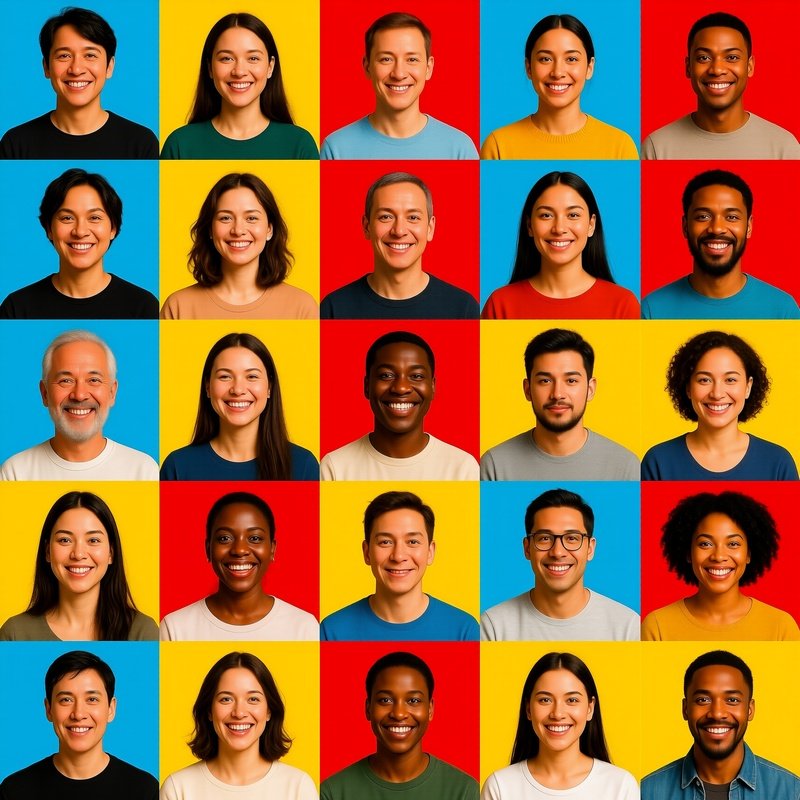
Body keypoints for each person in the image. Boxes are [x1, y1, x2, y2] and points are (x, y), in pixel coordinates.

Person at [480, 329, 639, 481]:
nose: (557, 394)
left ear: (590, 389)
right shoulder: (495, 466)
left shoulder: (626, 467)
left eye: (571, 381)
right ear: (528, 390)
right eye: (545, 381)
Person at [480, 489, 639, 641]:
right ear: (527, 548)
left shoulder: (627, 626)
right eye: (544, 538)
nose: (557, 552)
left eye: (571, 538)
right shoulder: (494, 625)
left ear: (590, 549)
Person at [0, 330, 158, 480]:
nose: (80, 395)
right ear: (45, 393)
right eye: (66, 381)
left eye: (93, 380)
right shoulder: (15, 473)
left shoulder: (143, 470)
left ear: (112, 392)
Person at [0, 8, 158, 159]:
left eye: (90, 55)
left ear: (109, 66)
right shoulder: (15, 144)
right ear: (46, 67)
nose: (76, 69)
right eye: (64, 56)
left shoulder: (141, 144)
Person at [0, 168, 158, 319]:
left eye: (95, 217)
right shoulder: (17, 308)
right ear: (49, 229)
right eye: (67, 218)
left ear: (113, 229)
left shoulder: (143, 307)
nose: (80, 231)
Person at [320, 331, 478, 480]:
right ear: (367, 386)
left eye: (416, 376)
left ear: (432, 387)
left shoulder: (463, 469)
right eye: (386, 375)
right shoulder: (335, 467)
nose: (401, 388)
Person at [160, 491, 318, 640]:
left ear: (272, 549)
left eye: (255, 538)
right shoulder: (175, 628)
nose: (239, 550)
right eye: (224, 538)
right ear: (208, 549)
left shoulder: (304, 628)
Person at [642, 491, 799, 641]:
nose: (718, 556)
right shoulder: (657, 626)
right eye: (705, 543)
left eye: (733, 544)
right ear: (688, 553)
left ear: (749, 554)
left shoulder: (781, 627)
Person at [641, 650, 800, 798]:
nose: (717, 713)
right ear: (685, 709)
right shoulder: (646, 792)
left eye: (732, 700)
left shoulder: (791, 791)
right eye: (703, 700)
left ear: (749, 710)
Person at [642, 170, 800, 319]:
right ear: (685, 227)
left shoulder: (783, 311)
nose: (717, 228)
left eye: (731, 217)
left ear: (749, 227)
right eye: (703, 216)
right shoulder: (652, 310)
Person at [160, 332, 319, 480]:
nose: (238, 389)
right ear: (208, 387)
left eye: (252, 376)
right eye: (225, 376)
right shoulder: (177, 467)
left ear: (269, 387)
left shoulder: (304, 466)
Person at [321, 491, 478, 641]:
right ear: (367, 552)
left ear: (430, 551)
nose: (398, 556)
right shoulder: (332, 631)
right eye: (385, 542)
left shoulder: (464, 630)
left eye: (412, 542)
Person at [642, 331, 798, 480]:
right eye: (704, 380)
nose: (717, 394)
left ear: (748, 387)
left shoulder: (778, 463)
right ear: (688, 387)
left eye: (730, 380)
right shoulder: (658, 462)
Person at [0, 491, 156, 641]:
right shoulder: (14, 633)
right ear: (47, 551)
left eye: (93, 540)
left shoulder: (143, 632)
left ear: (111, 553)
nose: (78, 554)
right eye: (65, 540)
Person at [321, 651, 479, 799]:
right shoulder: (333, 792)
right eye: (385, 700)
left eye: (413, 701)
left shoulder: (464, 791)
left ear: (430, 709)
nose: (399, 714)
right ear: (368, 708)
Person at [642, 12, 800, 159]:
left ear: (750, 66)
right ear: (688, 67)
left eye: (732, 57)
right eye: (703, 58)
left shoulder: (784, 148)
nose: (717, 69)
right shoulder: (657, 148)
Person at [481, 172, 639, 319]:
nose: (559, 228)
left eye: (573, 215)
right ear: (529, 226)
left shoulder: (624, 305)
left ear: (591, 225)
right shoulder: (500, 304)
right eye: (546, 215)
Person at [320, 172, 478, 318]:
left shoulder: (463, 308)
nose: (399, 230)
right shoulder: (333, 308)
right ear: (367, 226)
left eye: (413, 217)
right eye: (386, 217)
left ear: (430, 228)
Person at [0, 650, 158, 798]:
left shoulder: (145, 790)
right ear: (48, 709)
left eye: (92, 699)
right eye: (66, 700)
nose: (78, 714)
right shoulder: (14, 790)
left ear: (111, 708)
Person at [481, 652, 638, 799]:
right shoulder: (500, 786)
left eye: (572, 700)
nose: (557, 713)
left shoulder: (621, 786)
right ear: (528, 709)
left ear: (590, 708)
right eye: (545, 700)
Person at [160, 652, 317, 799]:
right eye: (226, 699)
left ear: (269, 711)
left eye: (253, 699)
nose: (239, 713)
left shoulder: (298, 787)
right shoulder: (178, 788)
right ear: (209, 711)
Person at [160, 173, 317, 319]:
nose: (238, 230)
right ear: (210, 229)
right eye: (226, 218)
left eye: (251, 218)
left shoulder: (302, 308)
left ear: (269, 229)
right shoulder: (178, 307)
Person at [321, 12, 477, 159]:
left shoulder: (460, 149)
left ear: (428, 68)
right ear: (367, 67)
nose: (399, 74)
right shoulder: (336, 148)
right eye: (386, 59)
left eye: (412, 59)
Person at [161, 13, 318, 159]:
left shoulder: (300, 145)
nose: (239, 71)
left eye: (253, 58)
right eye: (227, 59)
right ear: (210, 68)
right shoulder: (179, 145)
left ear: (270, 67)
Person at [481, 14, 638, 160]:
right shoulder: (498, 146)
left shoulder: (620, 147)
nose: (557, 72)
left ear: (590, 67)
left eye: (571, 59)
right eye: (545, 59)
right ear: (529, 68)